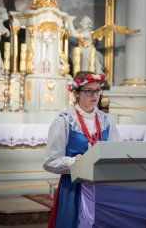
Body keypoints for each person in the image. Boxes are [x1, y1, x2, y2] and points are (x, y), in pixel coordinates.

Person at [43, 71, 120, 228]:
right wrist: (76, 162)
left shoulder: (107, 121)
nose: (95, 95)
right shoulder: (64, 121)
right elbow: (50, 161)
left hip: (102, 188)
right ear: (76, 93)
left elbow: (116, 152)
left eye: (98, 90)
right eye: (88, 91)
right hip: (74, 188)